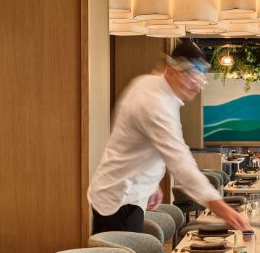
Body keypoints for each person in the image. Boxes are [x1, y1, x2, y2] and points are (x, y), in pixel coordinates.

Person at [88, 39, 250, 234]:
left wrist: (152, 182)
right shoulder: (155, 103)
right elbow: (181, 163)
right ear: (170, 70)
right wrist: (224, 210)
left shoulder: (150, 85)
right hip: (119, 200)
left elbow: (138, 144)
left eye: (200, 79)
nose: (196, 86)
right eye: (191, 77)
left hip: (127, 194)